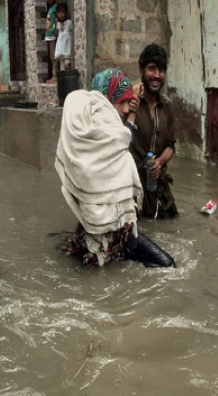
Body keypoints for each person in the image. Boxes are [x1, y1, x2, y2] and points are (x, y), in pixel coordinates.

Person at [55, 68, 175, 268]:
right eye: (123, 102)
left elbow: (121, 141)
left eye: (129, 102)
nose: (127, 108)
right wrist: (133, 115)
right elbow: (122, 144)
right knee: (168, 265)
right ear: (106, 101)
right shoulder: (101, 136)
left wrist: (131, 113)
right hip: (112, 233)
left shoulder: (91, 136)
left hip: (103, 229)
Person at [131, 44, 178, 219]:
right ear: (142, 70)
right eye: (152, 69)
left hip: (157, 185)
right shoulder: (131, 102)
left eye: (161, 70)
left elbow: (171, 145)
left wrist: (160, 161)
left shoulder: (167, 106)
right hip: (133, 186)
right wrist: (131, 105)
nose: (157, 75)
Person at [42, 0, 58, 83]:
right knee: (52, 56)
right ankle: (54, 76)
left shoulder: (56, 7)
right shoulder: (51, 8)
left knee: (54, 56)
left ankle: (55, 77)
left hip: (53, 36)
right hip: (49, 36)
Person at [53, 3, 72, 71]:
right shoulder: (57, 24)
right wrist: (55, 24)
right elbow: (55, 34)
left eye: (63, 12)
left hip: (67, 47)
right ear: (57, 14)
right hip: (60, 48)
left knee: (67, 64)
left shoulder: (69, 22)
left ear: (66, 13)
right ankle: (64, 80)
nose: (61, 14)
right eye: (59, 12)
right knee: (62, 67)